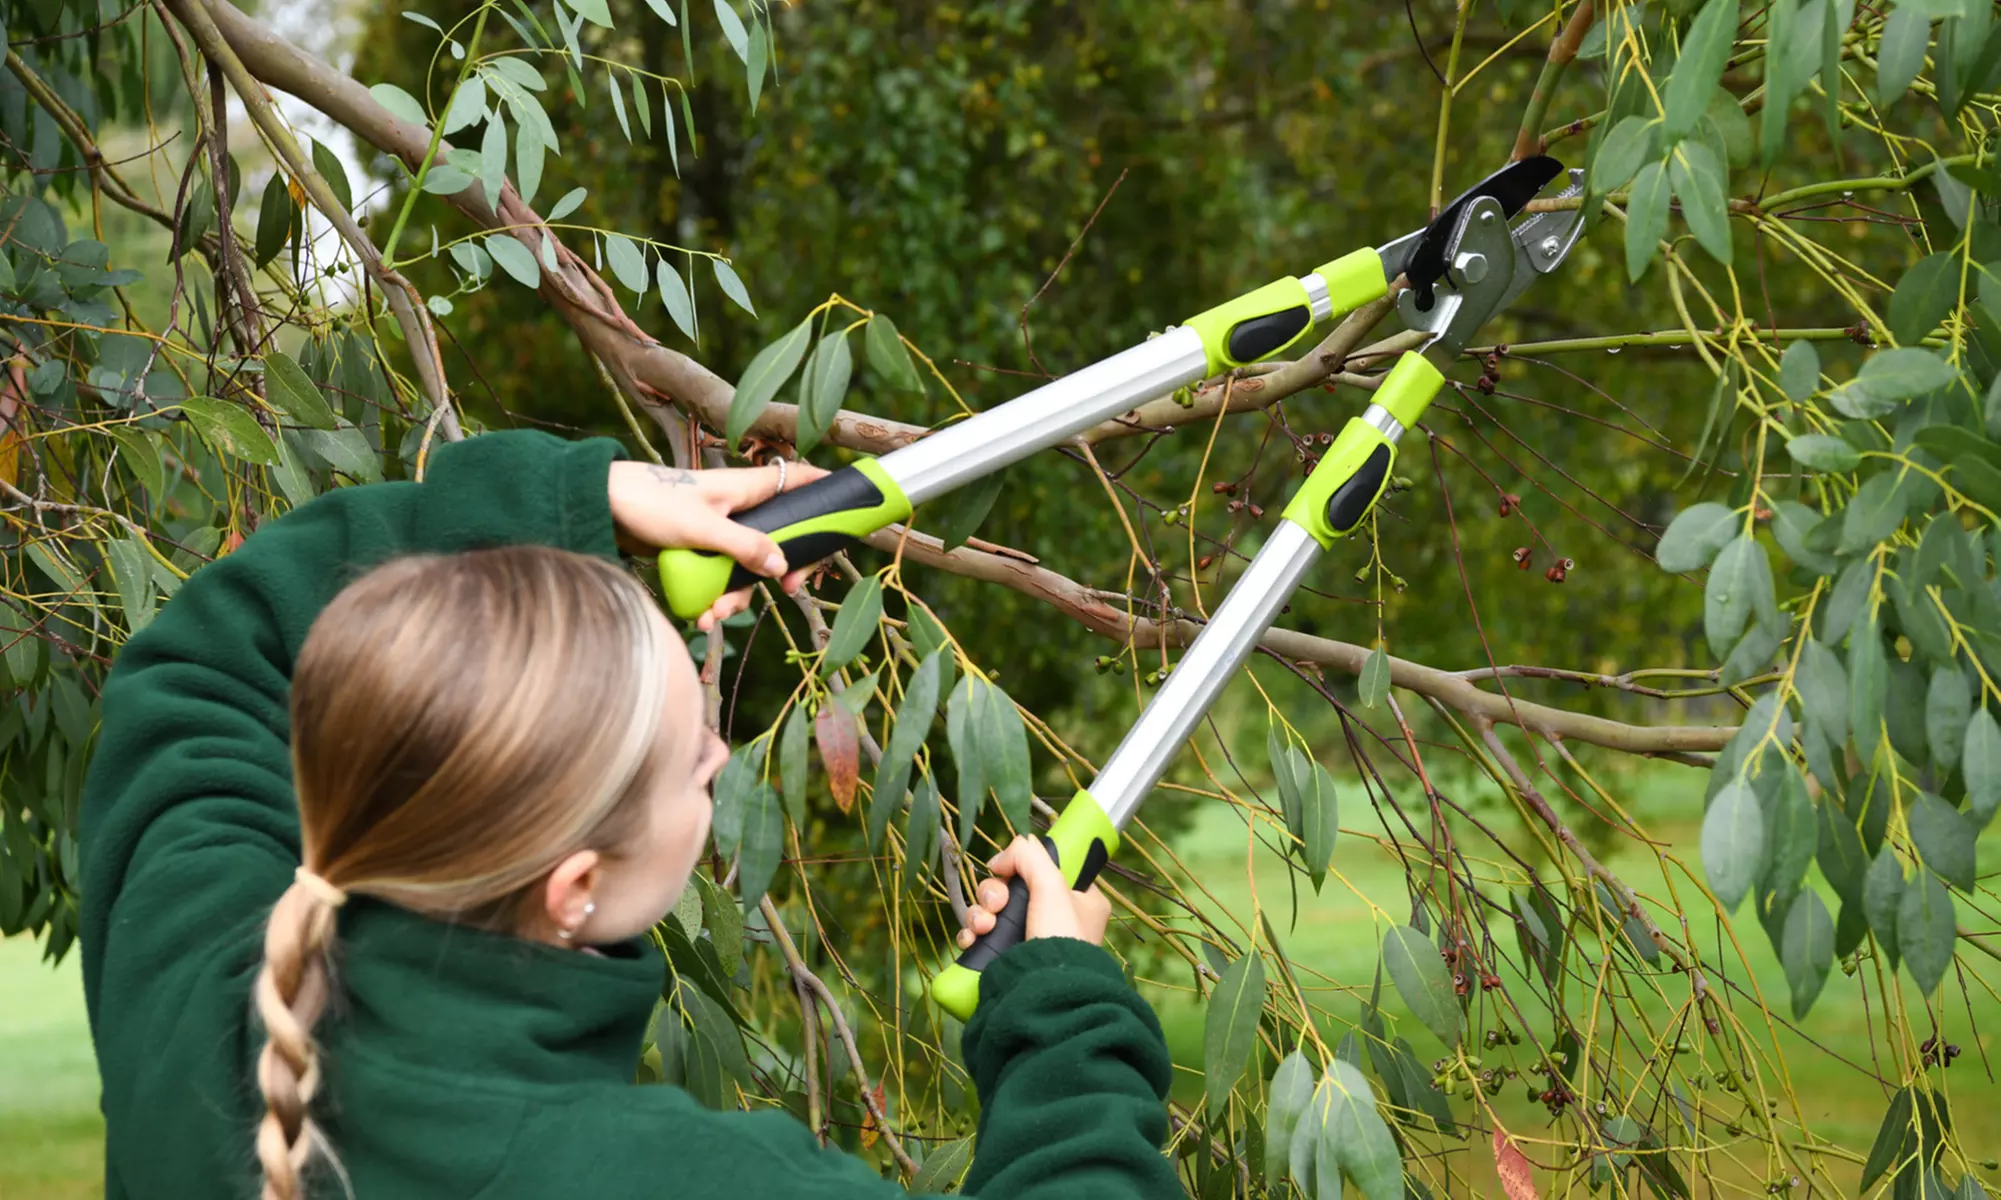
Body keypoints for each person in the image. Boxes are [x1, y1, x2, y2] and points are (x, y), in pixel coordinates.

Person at [77, 431, 1180, 1199]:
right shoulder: (687, 1183)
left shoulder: (201, 999)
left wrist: (568, 512)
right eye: (693, 759)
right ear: (576, 889)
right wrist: (1065, 1019)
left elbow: (215, 658)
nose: (721, 755)